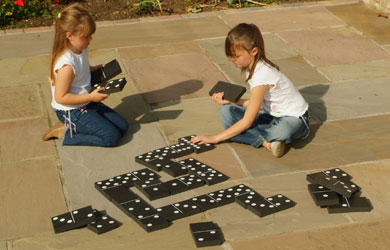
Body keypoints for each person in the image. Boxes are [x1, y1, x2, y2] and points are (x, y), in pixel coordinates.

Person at [191, 23, 310, 157]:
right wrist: (233, 101)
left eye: (236, 56)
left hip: (295, 119)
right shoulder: (252, 69)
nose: (232, 59)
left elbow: (248, 121)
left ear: (254, 51)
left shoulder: (262, 75)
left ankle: (262, 138)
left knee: (282, 130)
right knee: (227, 111)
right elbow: (256, 103)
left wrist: (216, 138)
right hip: (271, 114)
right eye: (230, 55)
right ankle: (268, 143)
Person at [42, 3, 128, 146]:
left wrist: (95, 69)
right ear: (70, 36)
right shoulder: (66, 66)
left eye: (90, 36)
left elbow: (81, 67)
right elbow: (61, 97)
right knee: (111, 137)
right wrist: (91, 97)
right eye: (86, 36)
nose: (90, 40)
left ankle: (84, 123)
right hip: (72, 111)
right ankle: (66, 134)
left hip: (86, 102)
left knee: (122, 127)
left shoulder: (80, 49)